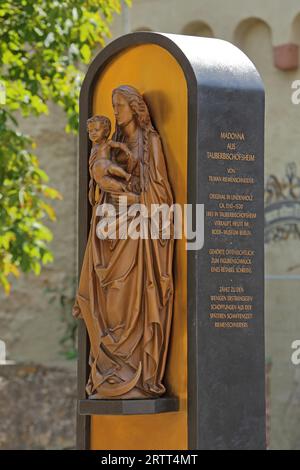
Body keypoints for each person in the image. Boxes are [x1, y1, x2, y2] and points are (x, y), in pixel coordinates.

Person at [73, 85, 174, 399]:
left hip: (137, 233)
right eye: (113, 106)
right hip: (108, 230)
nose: (115, 112)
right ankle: (109, 370)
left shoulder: (151, 142)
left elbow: (161, 192)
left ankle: (134, 371)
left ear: (135, 107)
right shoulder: (111, 143)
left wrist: (133, 198)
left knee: (129, 296)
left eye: (120, 106)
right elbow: (97, 189)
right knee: (106, 298)